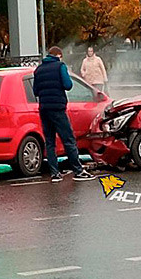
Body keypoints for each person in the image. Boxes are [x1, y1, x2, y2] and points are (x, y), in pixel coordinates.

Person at [33, 46, 97, 183]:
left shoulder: (38, 70)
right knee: (68, 139)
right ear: (58, 55)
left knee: (50, 142)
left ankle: (54, 173)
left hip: (44, 108)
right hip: (58, 107)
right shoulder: (60, 66)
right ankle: (78, 171)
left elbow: (36, 91)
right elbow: (68, 85)